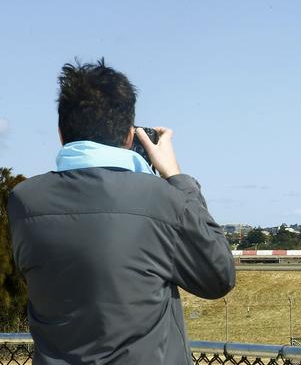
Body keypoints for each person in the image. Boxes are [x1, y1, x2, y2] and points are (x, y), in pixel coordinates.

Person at [7, 59, 236, 364]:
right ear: (130, 136)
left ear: (61, 133)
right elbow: (218, 276)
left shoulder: (23, 202)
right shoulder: (162, 198)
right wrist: (177, 179)